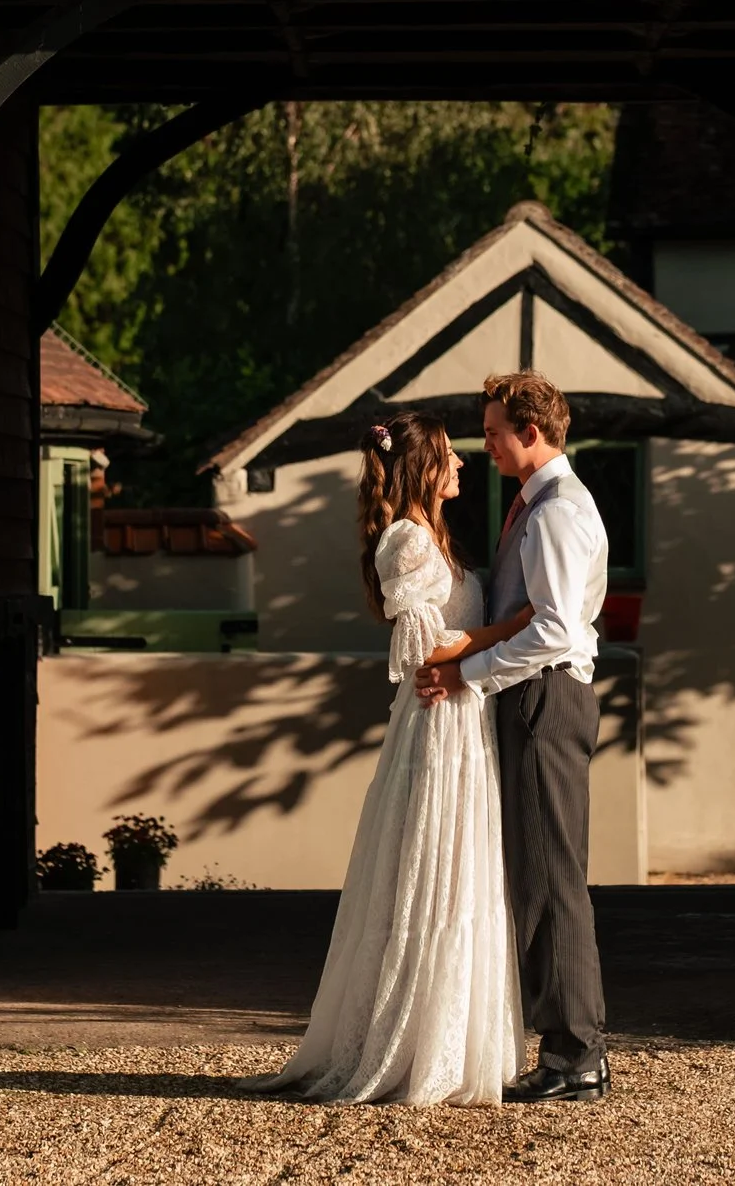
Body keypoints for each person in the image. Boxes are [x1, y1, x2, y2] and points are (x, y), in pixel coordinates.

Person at [242, 411, 533, 1105]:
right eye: (450, 456)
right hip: (436, 726)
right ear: (424, 466)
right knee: (430, 869)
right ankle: (406, 1044)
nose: (463, 464)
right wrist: (511, 628)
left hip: (466, 720)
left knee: (459, 870)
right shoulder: (404, 540)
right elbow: (420, 648)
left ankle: (455, 1043)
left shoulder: (435, 537)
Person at [415, 369, 612, 1104]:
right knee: (543, 873)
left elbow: (557, 628)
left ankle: (574, 1055)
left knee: (550, 877)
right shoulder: (540, 504)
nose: (487, 444)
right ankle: (573, 1046)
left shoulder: (558, 510)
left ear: (530, 431)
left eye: (495, 431)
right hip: (535, 696)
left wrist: (470, 673)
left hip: (544, 698)